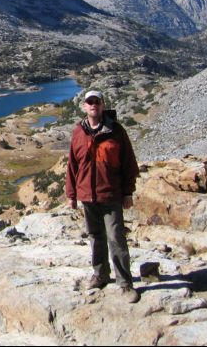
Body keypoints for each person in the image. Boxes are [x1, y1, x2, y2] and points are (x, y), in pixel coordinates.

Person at [65, 89, 141, 303]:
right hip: (87, 196)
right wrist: (72, 194)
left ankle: (125, 284)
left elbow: (129, 164)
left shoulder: (116, 131)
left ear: (103, 105)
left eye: (97, 102)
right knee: (95, 236)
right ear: (83, 106)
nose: (93, 105)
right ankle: (100, 274)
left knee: (116, 238)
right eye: (89, 102)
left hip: (111, 195)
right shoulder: (78, 132)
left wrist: (128, 192)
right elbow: (72, 165)